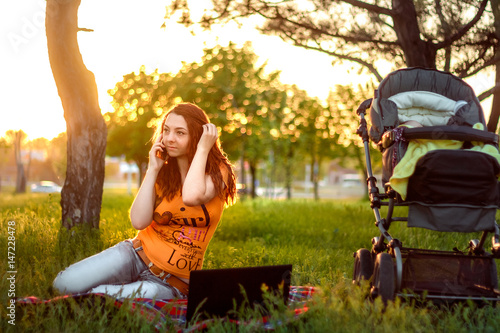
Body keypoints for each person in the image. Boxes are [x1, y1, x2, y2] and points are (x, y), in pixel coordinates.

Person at [53, 103, 237, 299]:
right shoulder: (163, 173)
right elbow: (139, 222)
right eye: (166, 130)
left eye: (180, 133)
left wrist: (202, 149)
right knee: (62, 285)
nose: (170, 138)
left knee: (97, 296)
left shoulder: (219, 172)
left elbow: (191, 196)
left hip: (171, 283)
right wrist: (153, 169)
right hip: (135, 255)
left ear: (198, 136)